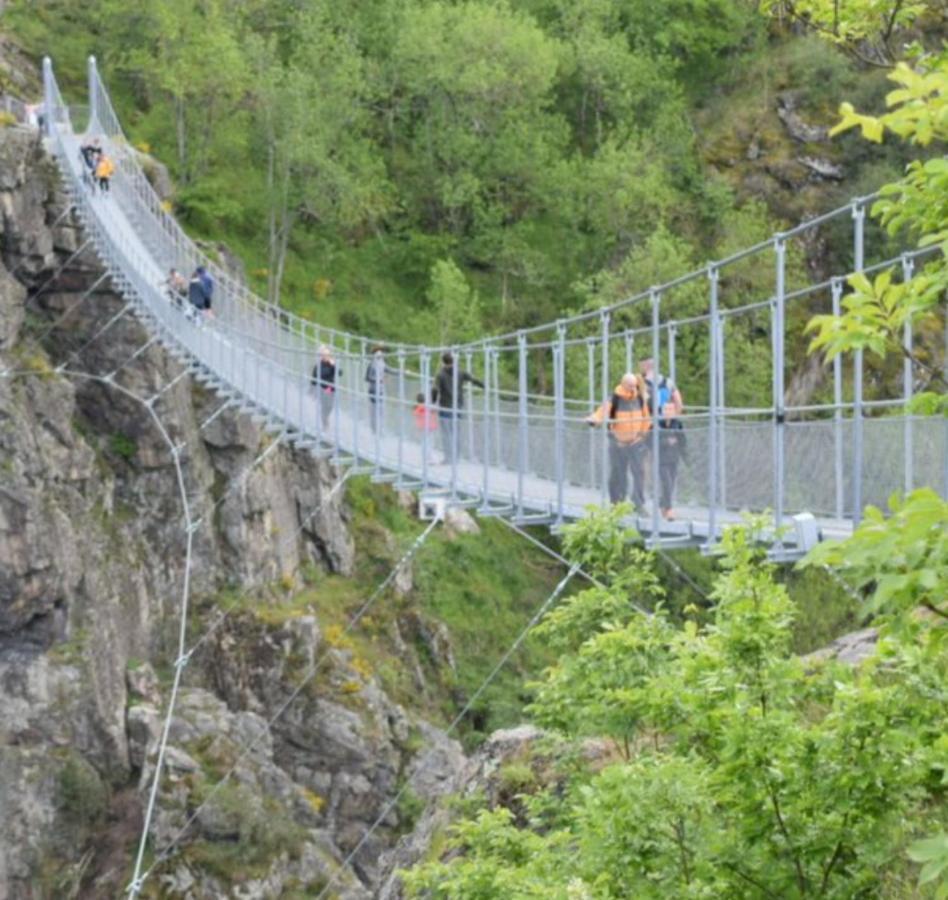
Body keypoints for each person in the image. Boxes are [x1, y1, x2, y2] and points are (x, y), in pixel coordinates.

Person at [586, 372, 652, 510]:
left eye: (634, 386)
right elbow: (602, 412)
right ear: (623, 384)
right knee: (618, 473)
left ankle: (638, 504)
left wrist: (641, 436)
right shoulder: (614, 399)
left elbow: (646, 419)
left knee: (639, 473)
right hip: (618, 444)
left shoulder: (639, 398)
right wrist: (593, 420)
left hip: (636, 443)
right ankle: (617, 504)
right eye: (630, 386)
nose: (632, 389)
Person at [639, 358, 685, 520]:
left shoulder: (642, 383)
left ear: (645, 366)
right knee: (660, 469)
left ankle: (645, 501)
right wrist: (673, 418)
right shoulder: (668, 382)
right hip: (661, 427)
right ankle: (664, 505)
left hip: (649, 428)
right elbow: (679, 402)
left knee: (643, 467)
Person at [431, 352, 484, 464]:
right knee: (456, 431)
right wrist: (484, 385)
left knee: (446, 433)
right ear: (453, 361)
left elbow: (435, 390)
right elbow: (473, 379)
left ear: (443, 362)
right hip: (458, 405)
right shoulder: (460, 372)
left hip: (445, 407)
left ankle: (448, 458)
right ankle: (456, 456)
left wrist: (433, 402)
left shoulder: (440, 375)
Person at [311, 345, 339, 429]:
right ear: (321, 356)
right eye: (325, 355)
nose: (327, 356)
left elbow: (340, 373)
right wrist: (312, 390)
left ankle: (325, 418)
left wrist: (334, 365)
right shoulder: (319, 365)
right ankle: (325, 423)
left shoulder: (331, 364)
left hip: (330, 388)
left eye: (328, 355)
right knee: (325, 405)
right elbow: (315, 377)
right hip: (323, 388)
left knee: (330, 406)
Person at [364, 346, 391, 433]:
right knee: (374, 410)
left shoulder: (382, 363)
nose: (381, 356)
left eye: (381, 355)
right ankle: (374, 429)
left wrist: (402, 371)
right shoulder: (371, 365)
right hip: (373, 390)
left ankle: (380, 429)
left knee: (381, 410)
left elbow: (390, 370)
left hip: (381, 390)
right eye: (379, 355)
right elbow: (367, 378)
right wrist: (379, 380)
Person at [413, 392, 439, 461]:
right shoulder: (428, 407)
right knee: (430, 442)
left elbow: (415, 414)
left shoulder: (417, 408)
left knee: (424, 442)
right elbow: (435, 411)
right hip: (430, 427)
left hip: (422, 427)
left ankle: (426, 456)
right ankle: (430, 456)